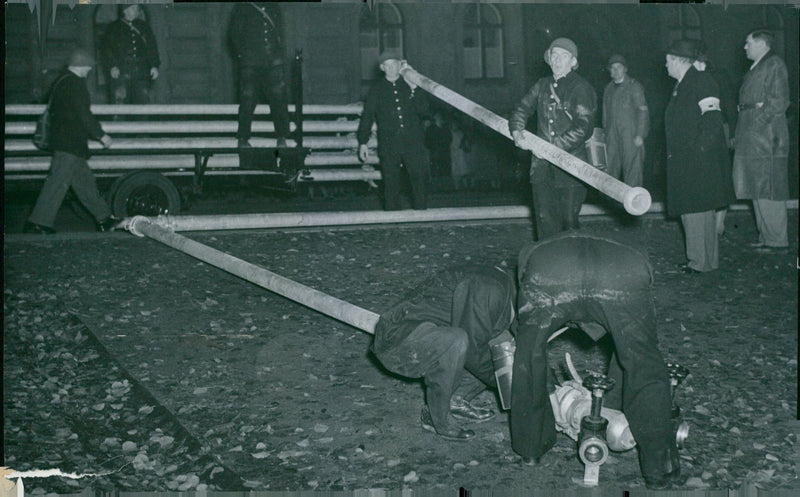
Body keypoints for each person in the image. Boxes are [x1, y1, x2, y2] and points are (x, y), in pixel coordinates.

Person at [512, 233, 681, 490]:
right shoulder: (633, 249)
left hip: (550, 269)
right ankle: (659, 468)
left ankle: (531, 448)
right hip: (623, 272)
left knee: (529, 357)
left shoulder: (534, 251)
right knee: (642, 362)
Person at [372, 266, 516, 441]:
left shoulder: (506, 287)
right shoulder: (488, 288)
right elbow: (473, 350)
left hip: (431, 332)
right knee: (457, 341)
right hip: (399, 337)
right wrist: (513, 385)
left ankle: (455, 399)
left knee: (501, 343)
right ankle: (436, 419)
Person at [509, 38, 597, 241]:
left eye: (563, 56)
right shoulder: (542, 85)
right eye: (553, 55)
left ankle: (572, 269)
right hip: (541, 169)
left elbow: (583, 127)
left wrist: (551, 148)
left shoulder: (581, 87)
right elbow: (521, 109)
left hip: (570, 168)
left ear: (573, 61)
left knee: (568, 223)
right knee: (544, 221)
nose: (557, 60)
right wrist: (516, 130)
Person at [24, 49, 119, 235]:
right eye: (88, 67)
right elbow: (84, 115)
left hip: (67, 142)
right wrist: (101, 135)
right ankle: (37, 222)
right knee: (57, 183)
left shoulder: (61, 81)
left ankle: (104, 219)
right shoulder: (75, 84)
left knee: (85, 184)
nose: (89, 71)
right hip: (69, 143)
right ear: (81, 66)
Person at [664, 39, 735, 273]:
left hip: (696, 159)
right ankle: (704, 261)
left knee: (695, 210)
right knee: (697, 210)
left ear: (677, 60)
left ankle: (699, 263)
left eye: (667, 61)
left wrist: (698, 152)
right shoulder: (684, 84)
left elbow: (712, 120)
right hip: (688, 158)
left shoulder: (701, 81)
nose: (665, 66)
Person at [732, 29, 791, 252]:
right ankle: (766, 237)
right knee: (757, 186)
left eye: (748, 43)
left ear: (762, 44)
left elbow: (779, 101)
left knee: (769, 187)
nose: (745, 47)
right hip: (754, 135)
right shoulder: (757, 67)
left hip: (767, 137)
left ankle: (777, 240)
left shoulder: (774, 64)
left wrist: (755, 126)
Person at [357, 51, 430, 210]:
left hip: (413, 143)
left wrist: (414, 89)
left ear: (401, 65)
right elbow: (367, 116)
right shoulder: (376, 89)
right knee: (391, 183)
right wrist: (363, 142)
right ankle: (393, 221)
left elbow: (424, 111)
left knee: (418, 180)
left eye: (394, 64)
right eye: (387, 65)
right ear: (382, 68)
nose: (391, 68)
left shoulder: (410, 85)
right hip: (389, 145)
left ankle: (422, 217)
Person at [228, 2, 291, 148]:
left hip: (273, 60)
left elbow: (279, 32)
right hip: (251, 61)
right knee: (248, 98)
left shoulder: (274, 6)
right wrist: (245, 55)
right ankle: (243, 138)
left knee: (279, 98)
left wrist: (277, 53)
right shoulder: (244, 6)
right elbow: (234, 34)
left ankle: (282, 136)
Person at [691, 43, 737, 239]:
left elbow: (728, 104)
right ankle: (713, 223)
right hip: (701, 132)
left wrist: (733, 133)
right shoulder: (689, 78)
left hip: (720, 130)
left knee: (721, 175)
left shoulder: (718, 75)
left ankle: (719, 224)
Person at [602, 54, 649, 188]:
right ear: (609, 71)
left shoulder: (634, 86)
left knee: (633, 170)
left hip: (631, 134)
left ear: (625, 69)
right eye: (613, 68)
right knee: (610, 170)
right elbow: (605, 114)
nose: (616, 70)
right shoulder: (608, 89)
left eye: (619, 67)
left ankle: (632, 203)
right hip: (612, 135)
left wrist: (640, 134)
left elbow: (643, 111)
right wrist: (605, 133)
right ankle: (610, 204)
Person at [100, 4, 160, 105]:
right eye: (133, 8)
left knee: (142, 105)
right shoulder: (113, 27)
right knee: (120, 105)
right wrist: (112, 66)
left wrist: (154, 65)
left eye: (137, 8)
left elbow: (152, 48)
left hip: (141, 73)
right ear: (125, 10)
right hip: (121, 73)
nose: (137, 11)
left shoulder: (143, 26)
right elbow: (106, 50)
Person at [424, 111, 453, 183]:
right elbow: (427, 141)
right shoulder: (430, 129)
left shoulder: (445, 128)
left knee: (445, 168)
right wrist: (433, 147)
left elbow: (449, 138)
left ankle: (446, 185)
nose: (439, 118)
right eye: (437, 116)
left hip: (445, 152)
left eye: (440, 116)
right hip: (435, 152)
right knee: (436, 169)